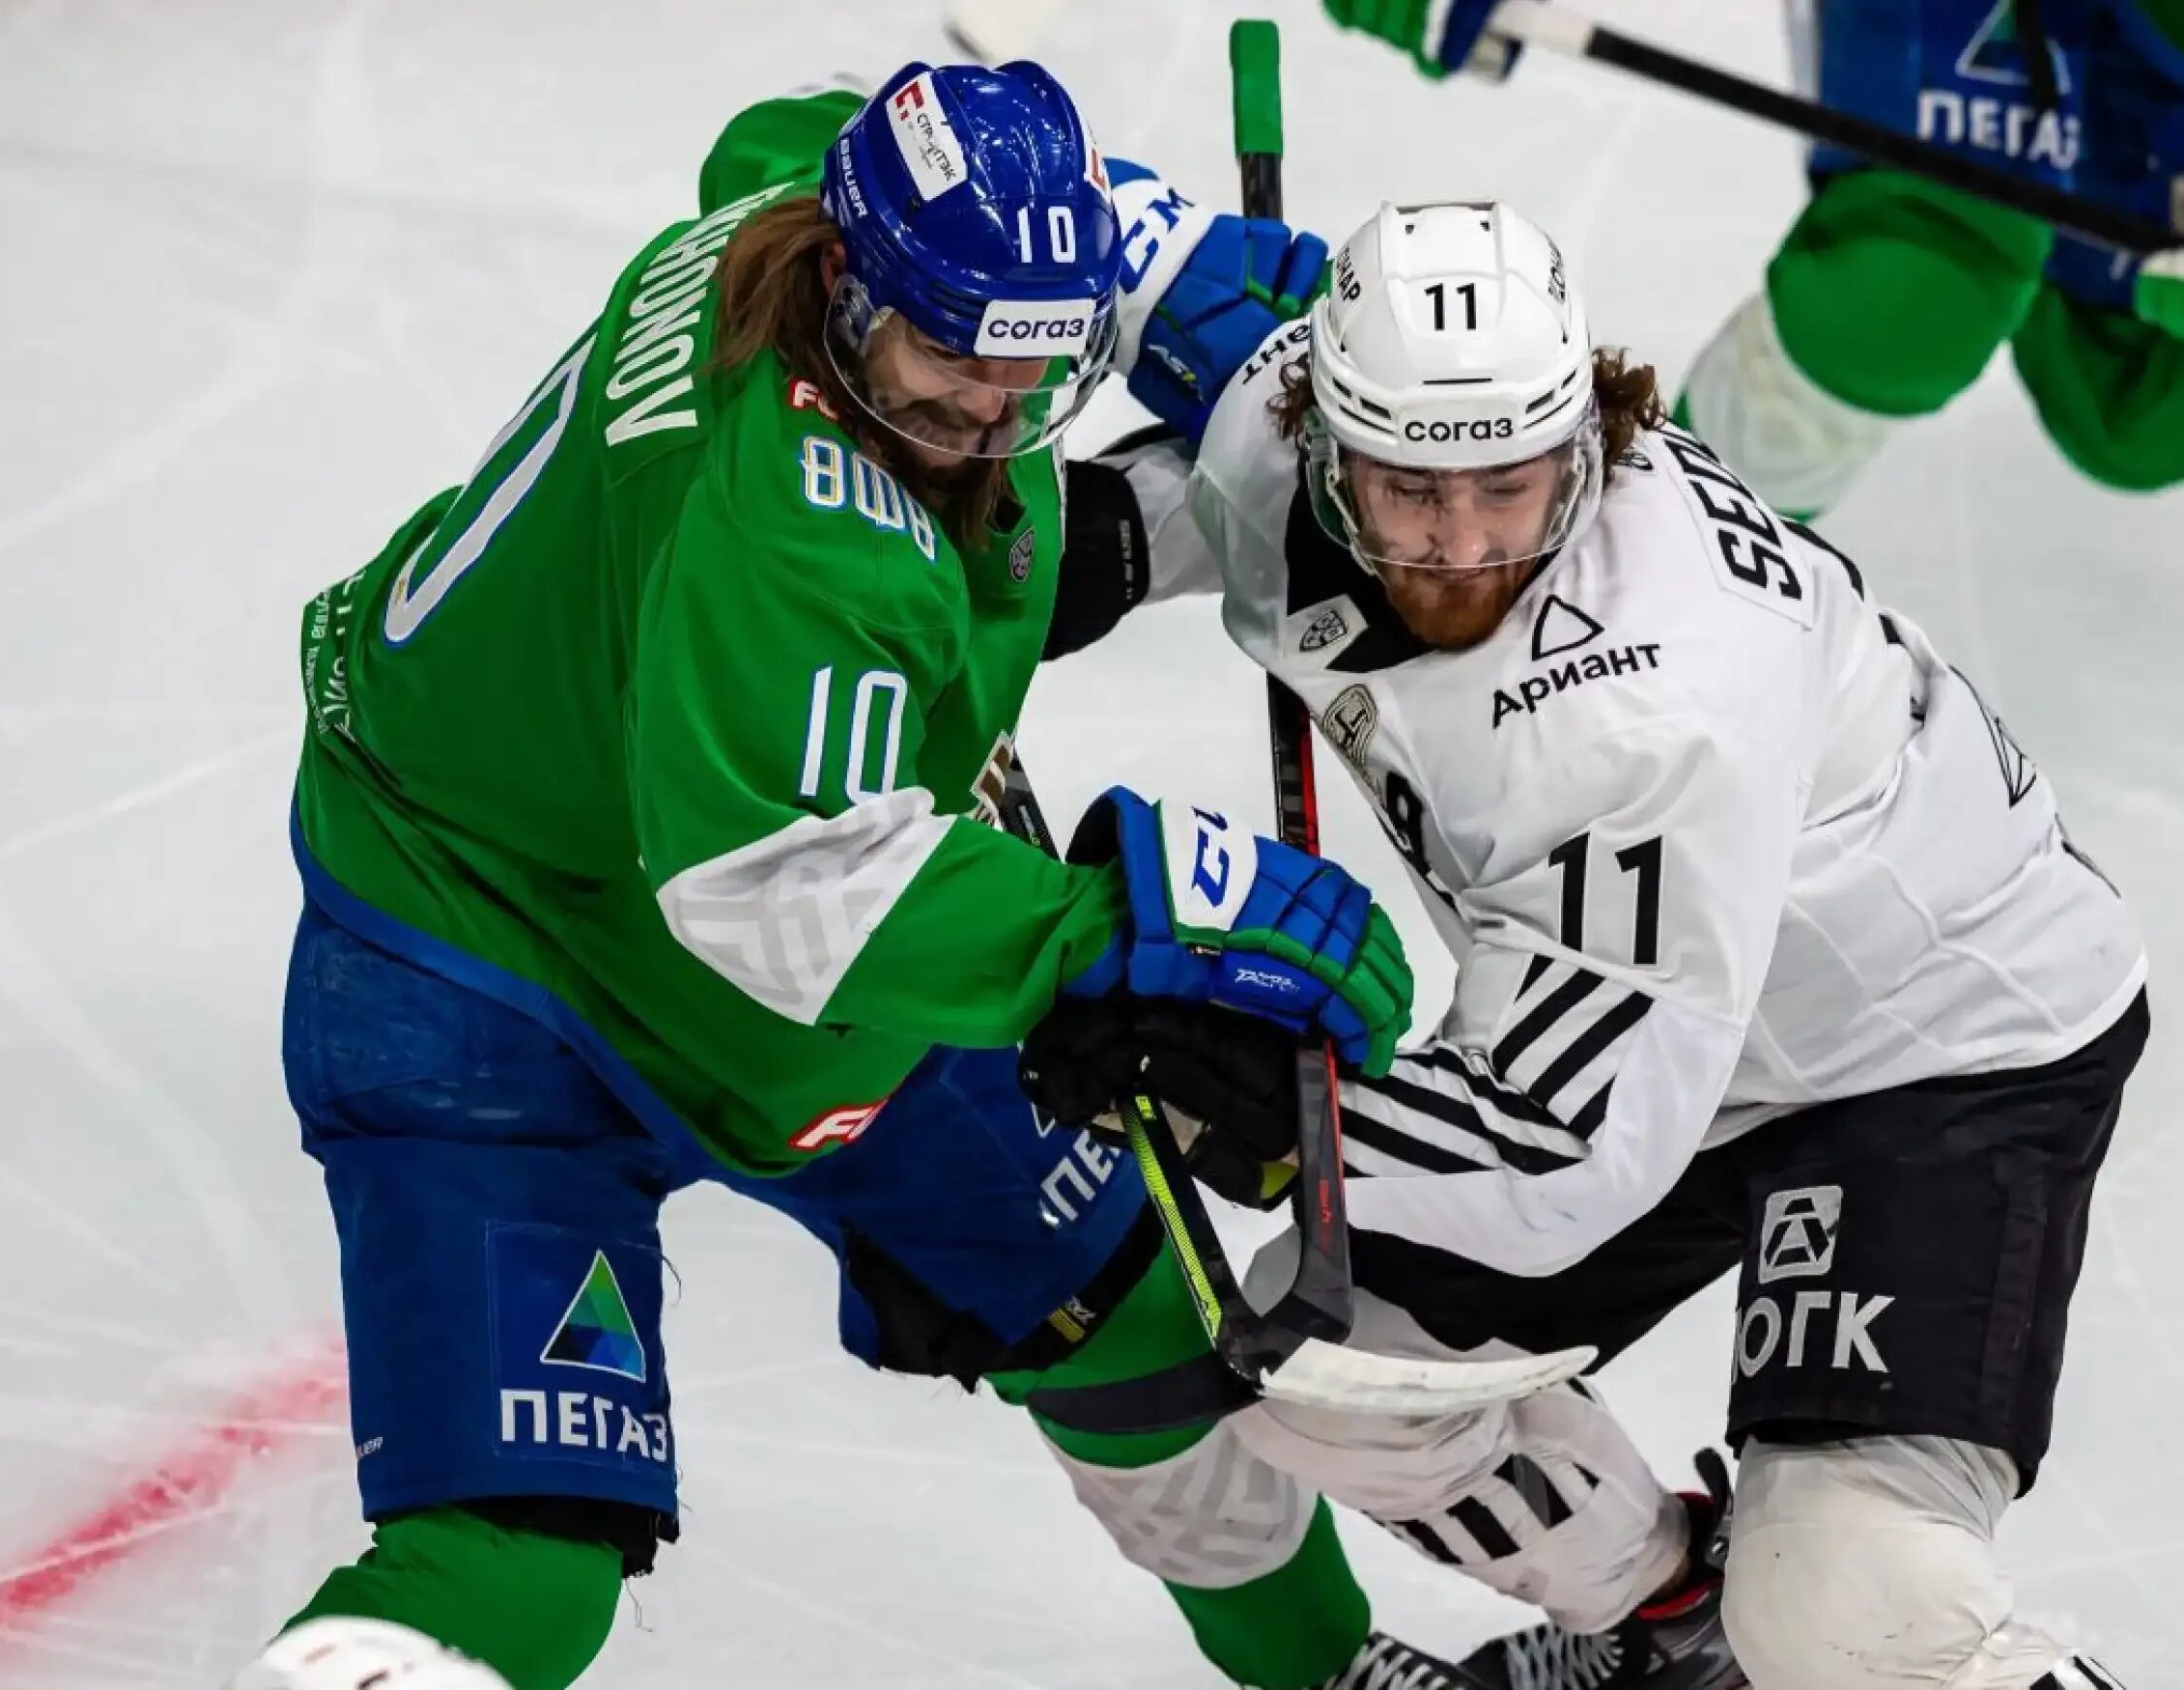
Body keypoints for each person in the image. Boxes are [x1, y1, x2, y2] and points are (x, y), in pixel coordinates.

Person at [236, 63, 1432, 1690]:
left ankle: (1330, 1671)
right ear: (856, 288)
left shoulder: (802, 214)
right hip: (489, 962)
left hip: (721, 884)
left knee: (1136, 1334)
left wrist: (1162, 265)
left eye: (1038, 362)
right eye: (953, 363)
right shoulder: (797, 533)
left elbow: (783, 120)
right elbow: (783, 889)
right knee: (520, 1549)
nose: (993, 414)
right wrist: (1118, 939)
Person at [1030, 192, 2149, 1690]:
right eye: (1407, 489)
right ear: (1318, 438)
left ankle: (1780, 1628)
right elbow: (1115, 246)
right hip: (1664, 1020)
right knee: (1341, 1382)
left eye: (1509, 484)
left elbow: (1559, 1150)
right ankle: (1672, 1620)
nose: (1461, 545)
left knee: (1843, 1606)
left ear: (1590, 438)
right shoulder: (1302, 433)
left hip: (1926, 1045)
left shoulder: (1644, 717)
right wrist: (1095, 531)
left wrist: (1263, 1100)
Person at [1319, 0, 2184, 516]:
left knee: (2160, 402)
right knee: (1915, 290)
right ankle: (1673, 546)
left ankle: (2039, 235)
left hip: (2181, 24)